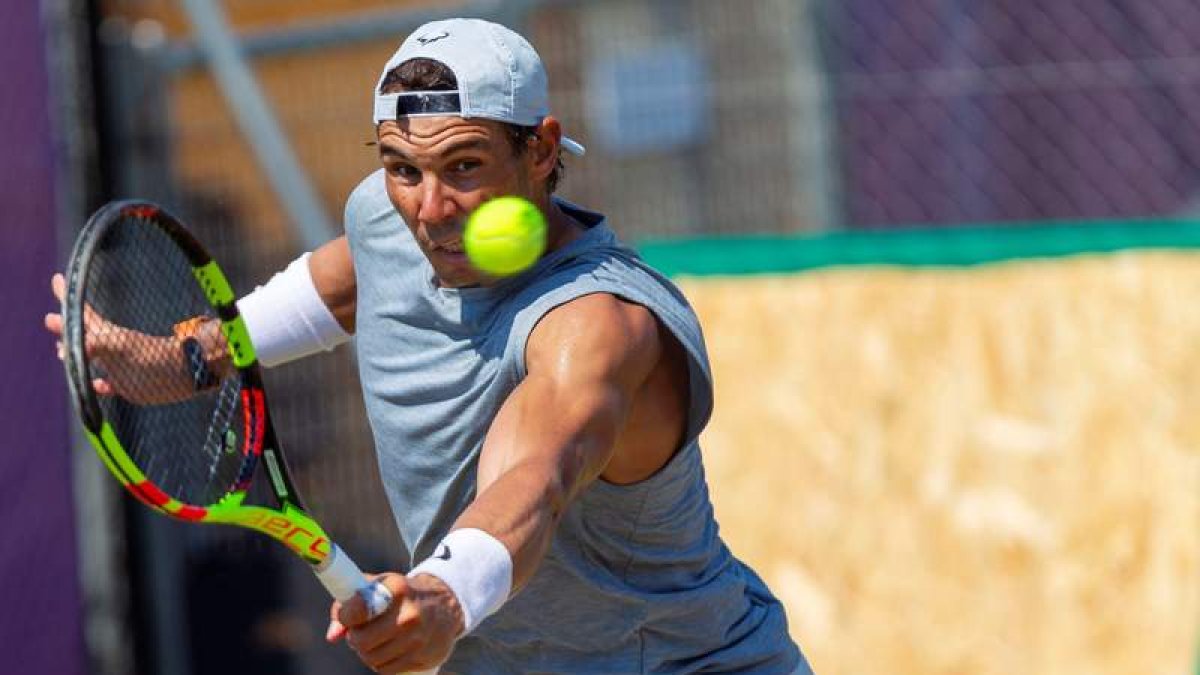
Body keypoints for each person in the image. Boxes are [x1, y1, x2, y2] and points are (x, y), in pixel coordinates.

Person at [47, 17, 813, 675]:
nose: (431, 208)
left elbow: (535, 477)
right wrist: (190, 357)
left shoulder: (598, 325)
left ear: (543, 150)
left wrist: (446, 593)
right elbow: (344, 282)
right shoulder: (390, 218)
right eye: (402, 168)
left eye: (465, 166)